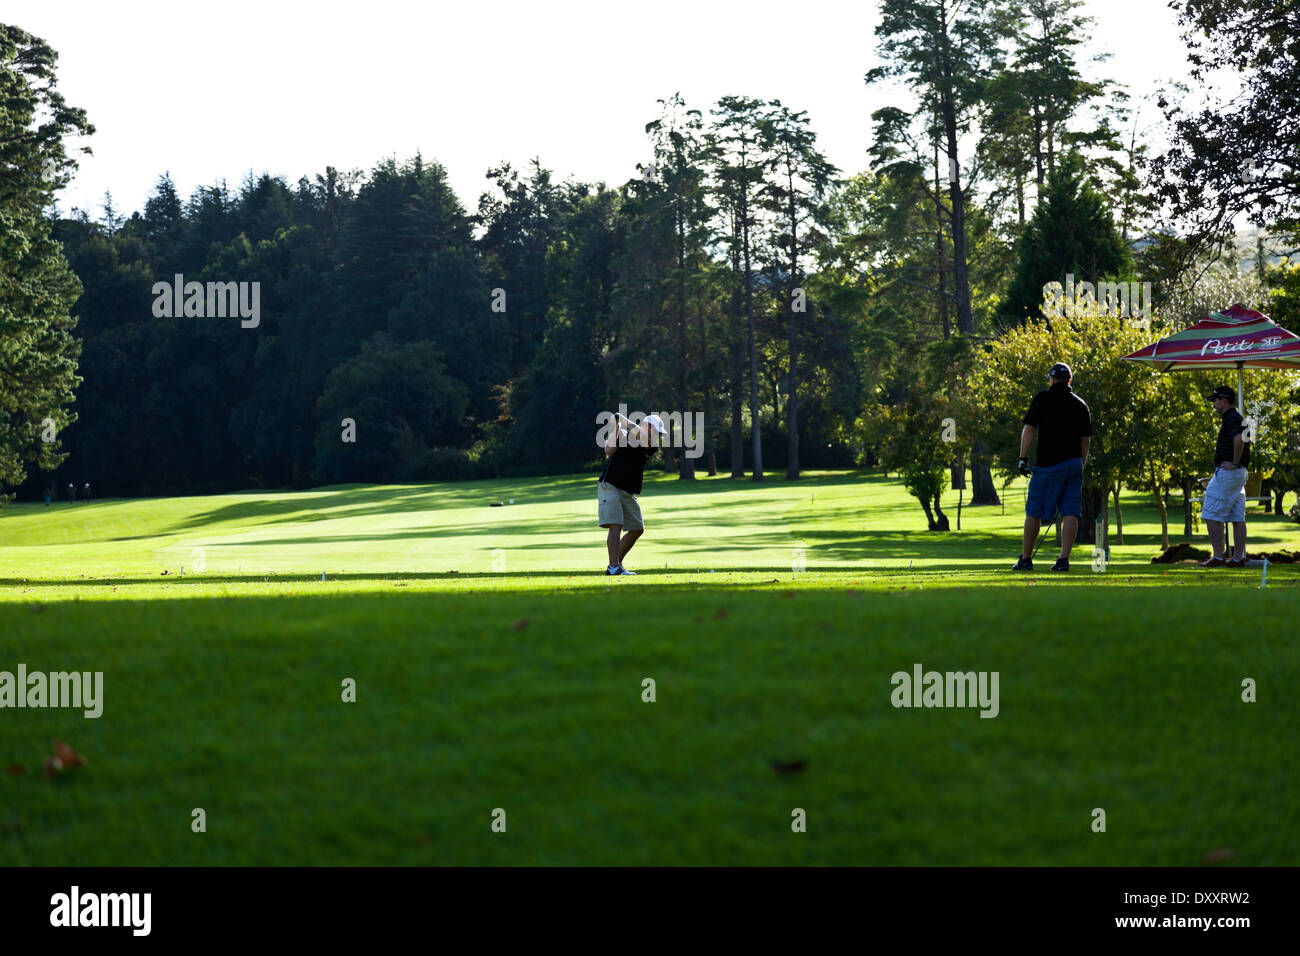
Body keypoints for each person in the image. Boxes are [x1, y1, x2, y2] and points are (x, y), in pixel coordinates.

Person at [1012, 362, 1092, 572]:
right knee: (1070, 512)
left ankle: (1026, 559)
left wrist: (1022, 459)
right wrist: (1080, 466)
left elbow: (1029, 429)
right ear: (1070, 380)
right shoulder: (1081, 405)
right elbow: (1085, 442)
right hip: (1074, 463)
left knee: (1034, 511)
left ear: (1052, 379)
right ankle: (1063, 560)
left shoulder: (1042, 398)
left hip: (1048, 464)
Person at [598, 413, 666, 575]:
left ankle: (616, 564)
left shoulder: (651, 444)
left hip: (628, 491)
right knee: (616, 524)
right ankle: (613, 566)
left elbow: (642, 437)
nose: (657, 435)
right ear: (647, 426)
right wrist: (617, 428)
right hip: (610, 485)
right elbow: (608, 450)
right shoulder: (623, 434)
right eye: (655, 431)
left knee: (637, 528)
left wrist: (623, 419)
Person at [1199, 386, 1250, 568]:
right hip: (1238, 474)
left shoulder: (1233, 419)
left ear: (1225, 399)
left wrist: (1234, 463)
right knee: (1237, 516)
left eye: (1215, 399)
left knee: (1210, 512)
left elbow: (1239, 439)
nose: (1213, 403)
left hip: (1230, 473)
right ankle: (1237, 559)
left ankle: (1219, 556)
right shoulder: (1233, 418)